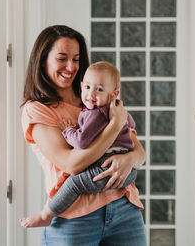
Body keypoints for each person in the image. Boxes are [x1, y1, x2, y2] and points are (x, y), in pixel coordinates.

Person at [19, 25, 146, 245]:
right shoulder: (38, 109)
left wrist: (128, 160)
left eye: (76, 59)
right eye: (62, 58)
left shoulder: (97, 96)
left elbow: (138, 151)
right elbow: (72, 164)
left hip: (124, 207)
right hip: (74, 218)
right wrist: (114, 125)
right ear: (43, 60)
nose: (70, 67)